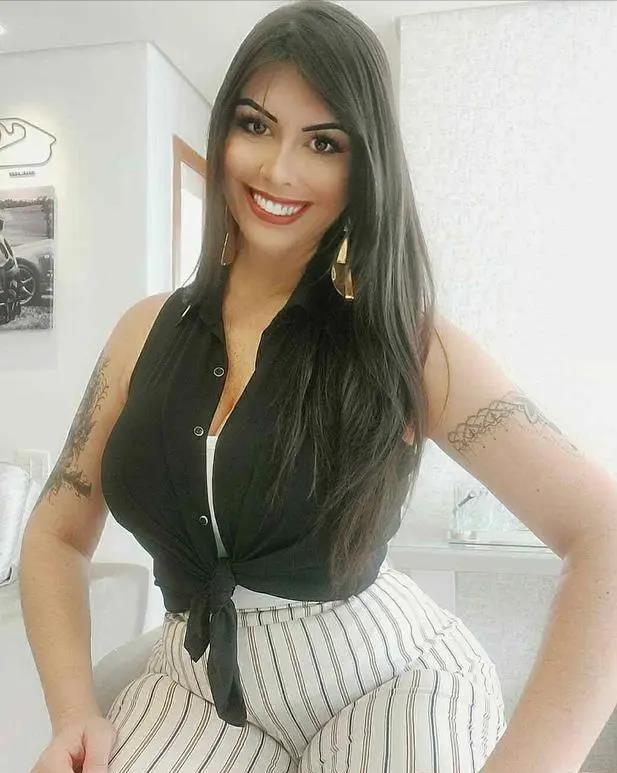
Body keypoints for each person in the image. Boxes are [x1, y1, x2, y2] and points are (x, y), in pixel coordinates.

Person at [32, 0, 617, 770]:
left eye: (323, 142)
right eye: (256, 125)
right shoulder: (142, 332)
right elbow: (56, 534)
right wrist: (73, 711)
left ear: (362, 165)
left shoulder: (406, 343)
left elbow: (602, 530)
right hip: (196, 681)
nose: (278, 169)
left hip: (388, 679)